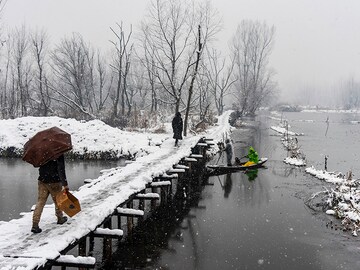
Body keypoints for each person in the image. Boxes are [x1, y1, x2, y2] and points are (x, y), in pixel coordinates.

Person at [31, 154, 69, 233]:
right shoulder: (58, 151)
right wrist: (65, 184)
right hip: (54, 181)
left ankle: (35, 224)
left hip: (42, 180)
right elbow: (61, 169)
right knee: (58, 200)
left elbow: (37, 164)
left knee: (40, 202)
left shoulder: (42, 150)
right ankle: (60, 218)